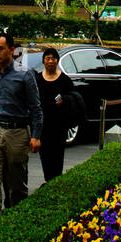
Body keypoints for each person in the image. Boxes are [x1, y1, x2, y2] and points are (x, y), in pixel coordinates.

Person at [0, 31, 42, 220]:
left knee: (17, 185)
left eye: (0, 49)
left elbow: (35, 107)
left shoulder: (25, 75)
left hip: (17, 132)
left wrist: (36, 135)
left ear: (11, 50)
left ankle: (15, 222)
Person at [34, 47, 76, 181]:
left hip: (59, 125)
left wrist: (64, 99)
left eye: (53, 59)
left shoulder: (64, 80)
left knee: (57, 155)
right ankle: (48, 180)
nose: (50, 61)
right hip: (43, 125)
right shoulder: (38, 78)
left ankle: (56, 180)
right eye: (47, 59)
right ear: (43, 61)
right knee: (45, 155)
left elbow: (73, 97)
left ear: (57, 61)